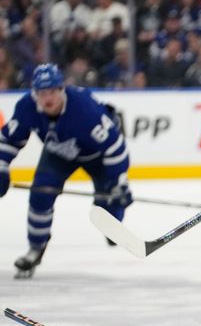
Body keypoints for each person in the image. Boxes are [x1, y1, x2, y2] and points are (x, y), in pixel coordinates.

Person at [0, 63, 131, 278]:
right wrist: (1, 166)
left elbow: (115, 147)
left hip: (97, 157)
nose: (47, 98)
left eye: (52, 91)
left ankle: (113, 224)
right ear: (34, 94)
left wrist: (119, 182)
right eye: (42, 93)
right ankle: (36, 248)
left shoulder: (84, 110)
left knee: (110, 201)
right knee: (40, 194)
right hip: (58, 154)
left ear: (62, 89)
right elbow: (9, 140)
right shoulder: (27, 107)